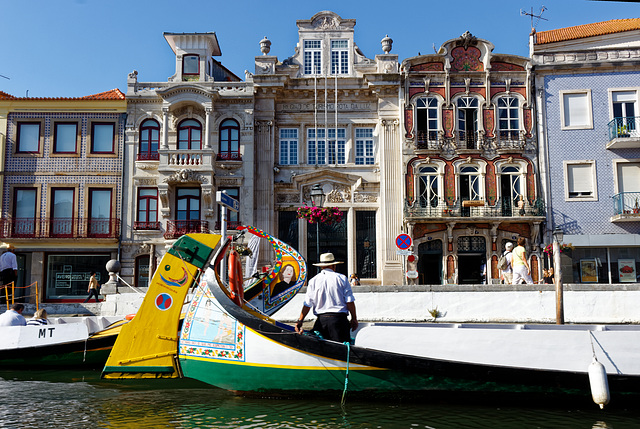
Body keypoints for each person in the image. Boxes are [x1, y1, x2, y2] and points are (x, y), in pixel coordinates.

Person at [294, 253, 358, 343]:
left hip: (321, 321)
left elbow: (307, 304)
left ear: (321, 267)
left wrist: (300, 321)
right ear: (334, 266)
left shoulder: (313, 281)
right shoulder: (342, 278)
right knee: (341, 349)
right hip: (339, 320)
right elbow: (349, 301)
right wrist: (354, 318)